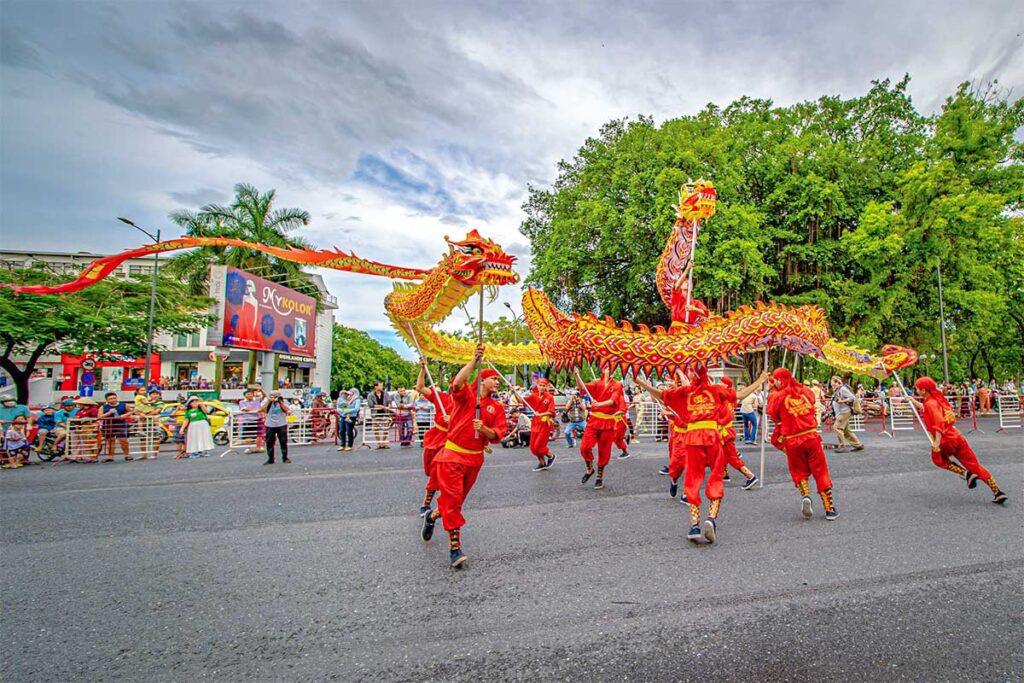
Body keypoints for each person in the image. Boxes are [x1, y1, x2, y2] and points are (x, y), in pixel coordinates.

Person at [420, 344, 506, 569]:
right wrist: (474, 361)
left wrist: (485, 430)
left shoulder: (496, 407)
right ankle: (455, 548)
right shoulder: (466, 397)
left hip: (475, 460)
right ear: (482, 380)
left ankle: (432, 516)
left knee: (455, 502)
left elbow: (499, 433)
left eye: (498, 380)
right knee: (454, 501)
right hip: (451, 457)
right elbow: (457, 384)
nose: (498, 382)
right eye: (494, 379)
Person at [638, 364, 726, 544]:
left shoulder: (703, 390)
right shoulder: (691, 391)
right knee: (678, 466)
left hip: (697, 436)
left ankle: (696, 522)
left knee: (694, 475)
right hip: (684, 435)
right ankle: (708, 516)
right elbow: (666, 396)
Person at [911, 377, 1007, 505]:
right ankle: (997, 492)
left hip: (945, 439)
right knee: (975, 465)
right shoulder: (937, 400)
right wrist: (913, 401)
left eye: (918, 388)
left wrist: (937, 441)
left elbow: (938, 421)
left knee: (938, 460)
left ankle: (966, 473)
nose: (916, 390)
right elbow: (927, 409)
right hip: (956, 436)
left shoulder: (930, 403)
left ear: (923, 390)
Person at [767, 368, 839, 520]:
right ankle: (829, 508)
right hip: (811, 436)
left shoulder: (777, 396)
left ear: (781, 379)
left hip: (793, 440)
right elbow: (812, 404)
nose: (775, 382)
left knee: (798, 471)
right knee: (821, 471)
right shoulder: (806, 391)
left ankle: (806, 495)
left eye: (776, 379)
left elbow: (774, 416)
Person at [573, 367, 625, 490]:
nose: (610, 370)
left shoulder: (617, 384)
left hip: (608, 421)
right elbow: (582, 387)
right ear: (602, 370)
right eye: (607, 367)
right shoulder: (596, 383)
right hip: (594, 420)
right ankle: (590, 468)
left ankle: (600, 475)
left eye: (612, 367)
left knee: (604, 450)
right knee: (584, 447)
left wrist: (599, 404)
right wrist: (576, 376)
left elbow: (614, 400)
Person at [414, 358, 453, 516]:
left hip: (452, 442)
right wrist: (423, 369)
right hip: (437, 438)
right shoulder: (441, 398)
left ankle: (429, 504)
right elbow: (420, 387)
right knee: (433, 472)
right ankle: (429, 503)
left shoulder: (467, 403)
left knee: (441, 472)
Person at [718, 374, 769, 490]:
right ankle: (725, 474)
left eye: (720, 382)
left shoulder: (724, 397)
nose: (718, 384)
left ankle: (750, 476)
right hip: (725, 431)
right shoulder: (729, 398)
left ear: (725, 385)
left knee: (732, 457)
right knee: (723, 454)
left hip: (724, 432)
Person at [520, 378, 556, 471]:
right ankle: (542, 463)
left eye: (544, 385)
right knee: (532, 446)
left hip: (544, 423)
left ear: (546, 387)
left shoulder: (549, 397)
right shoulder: (534, 396)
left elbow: (551, 412)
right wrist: (513, 391)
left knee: (538, 446)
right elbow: (522, 401)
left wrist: (541, 414)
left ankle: (551, 456)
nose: (542, 387)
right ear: (537, 386)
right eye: (540, 385)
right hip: (535, 423)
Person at [669, 262, 710, 330]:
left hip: (690, 329)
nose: (687, 283)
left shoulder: (696, 302)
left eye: (688, 282)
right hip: (677, 328)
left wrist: (694, 309)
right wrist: (687, 269)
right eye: (685, 282)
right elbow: (677, 286)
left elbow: (706, 313)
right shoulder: (677, 297)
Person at [829, 376, 863, 452]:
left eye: (832, 382)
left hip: (844, 412)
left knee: (837, 427)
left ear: (837, 382)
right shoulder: (837, 390)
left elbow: (853, 398)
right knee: (847, 431)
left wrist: (842, 401)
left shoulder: (842, 389)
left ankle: (842, 446)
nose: (831, 384)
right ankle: (858, 445)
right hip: (841, 412)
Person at [99, 392, 132, 462]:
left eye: (114, 398)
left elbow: (130, 412)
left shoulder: (123, 405)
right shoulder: (103, 407)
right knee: (110, 441)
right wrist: (109, 413)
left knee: (123, 440)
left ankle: (127, 455)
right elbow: (99, 416)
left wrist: (124, 415)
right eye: (110, 399)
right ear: (107, 400)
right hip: (108, 425)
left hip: (120, 424)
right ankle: (110, 456)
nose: (113, 400)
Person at [261, 392, 292, 464]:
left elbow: (287, 410)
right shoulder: (266, 401)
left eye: (276, 396)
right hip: (269, 424)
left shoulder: (284, 401)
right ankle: (270, 459)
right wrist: (269, 401)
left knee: (283, 441)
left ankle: (285, 457)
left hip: (281, 424)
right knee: (269, 442)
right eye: (272, 396)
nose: (274, 397)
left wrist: (280, 402)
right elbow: (262, 409)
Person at [366, 381, 391, 448]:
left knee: (386, 428)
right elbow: (370, 405)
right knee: (376, 429)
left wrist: (388, 406)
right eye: (380, 386)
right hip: (375, 414)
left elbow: (389, 401)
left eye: (382, 386)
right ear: (376, 386)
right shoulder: (370, 395)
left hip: (385, 413)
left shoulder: (385, 394)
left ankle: (383, 442)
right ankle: (378, 443)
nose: (382, 387)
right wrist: (379, 406)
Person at [238, 388, 264, 453]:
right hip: (247, 420)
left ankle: (259, 447)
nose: (250, 395)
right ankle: (249, 448)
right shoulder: (242, 402)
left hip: (257, 419)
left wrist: (261, 389)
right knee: (248, 434)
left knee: (259, 434)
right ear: (245, 395)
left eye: (251, 394)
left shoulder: (257, 400)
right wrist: (255, 410)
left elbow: (264, 396)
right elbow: (244, 409)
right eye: (248, 394)